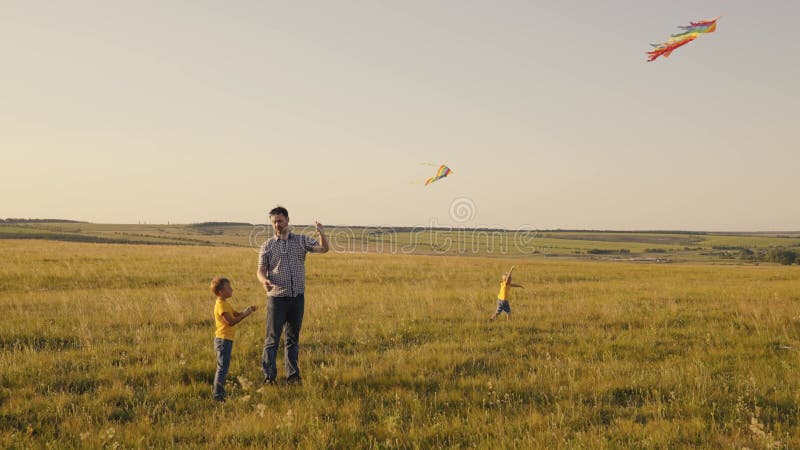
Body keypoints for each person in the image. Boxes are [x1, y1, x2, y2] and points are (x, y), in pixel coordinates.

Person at [257, 206, 329, 385]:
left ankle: (293, 376)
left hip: (297, 298)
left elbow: (323, 249)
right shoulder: (267, 246)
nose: (277, 225)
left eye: (280, 221)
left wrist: (322, 233)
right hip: (277, 298)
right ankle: (269, 377)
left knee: (292, 339)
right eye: (274, 222)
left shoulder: (301, 241)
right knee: (272, 339)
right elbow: (260, 270)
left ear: (288, 220)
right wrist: (263, 280)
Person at [211, 277, 257, 402]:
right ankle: (218, 396)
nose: (232, 289)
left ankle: (219, 393)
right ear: (221, 291)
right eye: (228, 287)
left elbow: (235, 314)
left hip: (226, 340)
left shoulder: (225, 303)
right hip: (223, 340)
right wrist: (246, 314)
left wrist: (247, 310)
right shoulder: (221, 305)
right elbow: (231, 322)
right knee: (222, 369)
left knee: (223, 367)